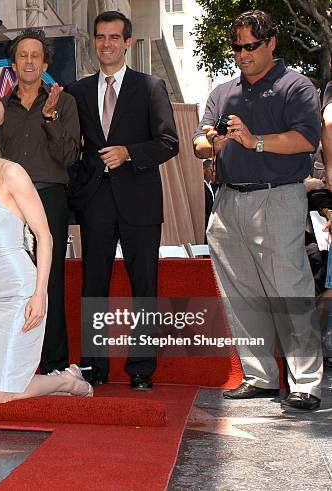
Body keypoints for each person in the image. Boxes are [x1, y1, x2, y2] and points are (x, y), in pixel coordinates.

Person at [193, 10, 323, 411]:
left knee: (289, 290)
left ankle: (306, 382)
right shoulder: (223, 92)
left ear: (271, 44)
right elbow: (201, 139)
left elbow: (306, 140)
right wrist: (208, 143)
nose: (243, 54)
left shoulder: (295, 86)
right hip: (229, 200)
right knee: (241, 297)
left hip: (279, 197)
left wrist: (256, 142)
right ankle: (261, 377)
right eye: (237, 47)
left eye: (251, 45)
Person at [0, 111, 92, 403]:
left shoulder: (10, 173)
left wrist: (39, 294)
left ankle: (67, 381)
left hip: (21, 290)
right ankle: (62, 380)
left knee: (1, 395)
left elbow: (44, 236)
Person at [67, 11, 179, 390]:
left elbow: (169, 143)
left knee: (143, 285)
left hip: (140, 201)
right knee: (93, 285)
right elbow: (70, 147)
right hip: (96, 201)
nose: (107, 44)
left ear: (128, 42)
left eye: (114, 37)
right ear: (93, 42)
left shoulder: (150, 86)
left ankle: (142, 369)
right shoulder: (78, 91)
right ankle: (94, 370)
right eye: (100, 37)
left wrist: (129, 153)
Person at [0, 28, 80, 375]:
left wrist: (51, 118)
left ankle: (54, 364)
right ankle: (12, 361)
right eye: (22, 55)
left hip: (49, 197)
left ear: (44, 63)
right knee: (10, 279)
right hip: (7, 202)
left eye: (35, 55)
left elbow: (69, 156)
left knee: (47, 279)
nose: (28, 60)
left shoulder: (64, 102)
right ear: (13, 63)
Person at [203, 158, 216, 242]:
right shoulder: (202, 187)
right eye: (210, 169)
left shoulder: (212, 186)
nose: (212, 173)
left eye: (213, 170)